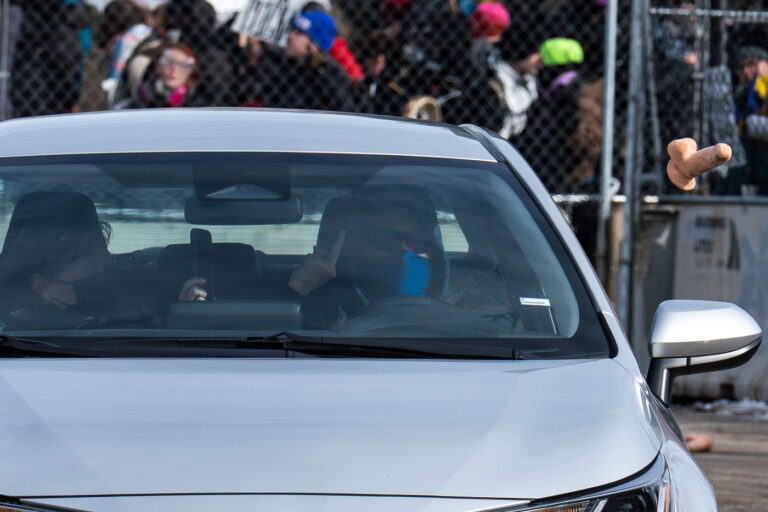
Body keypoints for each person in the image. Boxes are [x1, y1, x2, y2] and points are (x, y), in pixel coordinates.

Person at [258, 10, 355, 112]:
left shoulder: (331, 76)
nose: (290, 36)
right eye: (292, 30)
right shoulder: (286, 65)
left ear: (315, 44)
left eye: (298, 32)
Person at [120, 42, 206, 108]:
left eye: (182, 65)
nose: (174, 69)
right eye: (169, 62)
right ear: (157, 66)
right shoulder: (139, 101)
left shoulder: (198, 104)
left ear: (189, 72)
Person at [733, 45, 768, 193]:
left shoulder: (761, 86)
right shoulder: (741, 95)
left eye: (752, 65)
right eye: (741, 68)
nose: (747, 72)